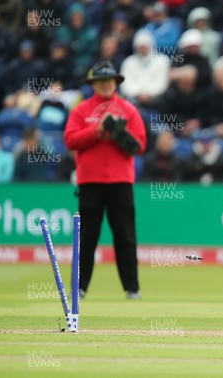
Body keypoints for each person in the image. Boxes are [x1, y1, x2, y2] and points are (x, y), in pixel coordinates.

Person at [64, 61, 146, 299]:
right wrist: (96, 132)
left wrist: (118, 133)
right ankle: (79, 288)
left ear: (116, 83)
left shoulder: (129, 110)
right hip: (90, 182)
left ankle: (132, 288)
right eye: (102, 81)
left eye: (110, 80)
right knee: (87, 237)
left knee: (125, 237)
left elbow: (139, 145)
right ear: (94, 85)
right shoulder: (81, 110)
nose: (107, 85)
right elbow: (70, 140)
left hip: (121, 181)